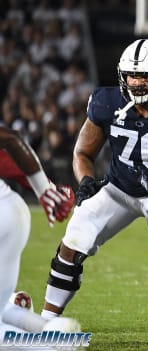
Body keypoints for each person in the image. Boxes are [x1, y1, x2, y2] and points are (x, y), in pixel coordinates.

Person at [39, 39, 148, 351]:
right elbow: (82, 152)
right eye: (132, 75)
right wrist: (87, 182)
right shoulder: (106, 102)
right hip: (119, 187)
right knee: (74, 239)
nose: (137, 82)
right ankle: (45, 323)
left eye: (145, 75)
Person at [0, 126, 81, 336]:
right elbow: (9, 150)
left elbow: (9, 141)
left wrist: (45, 188)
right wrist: (45, 187)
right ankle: (48, 329)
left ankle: (48, 346)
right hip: (11, 209)